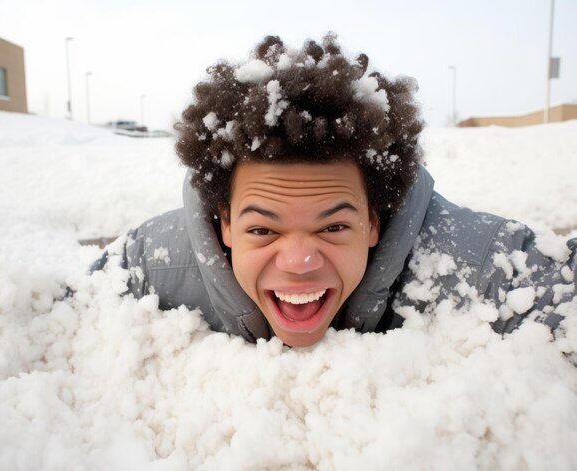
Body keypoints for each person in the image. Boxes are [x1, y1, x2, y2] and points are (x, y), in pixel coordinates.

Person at [92, 34, 576, 348]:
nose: (299, 260)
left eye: (334, 225)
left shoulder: (478, 267)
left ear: (374, 222)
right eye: (262, 228)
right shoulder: (151, 267)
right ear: (224, 223)